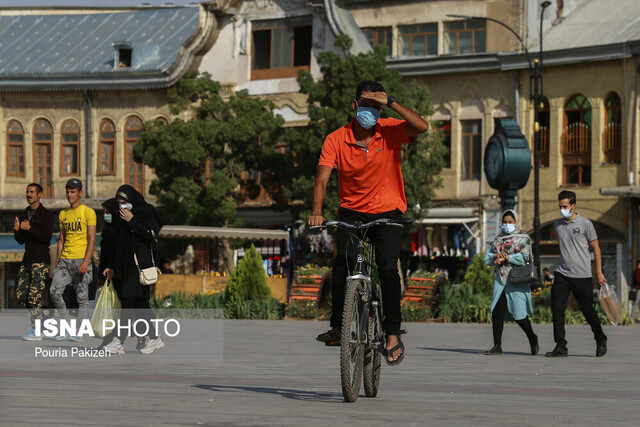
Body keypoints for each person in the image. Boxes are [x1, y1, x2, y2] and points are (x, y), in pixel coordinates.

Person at [308, 80, 429, 365]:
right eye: (366, 104)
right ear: (354, 105)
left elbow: (422, 127)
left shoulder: (390, 129)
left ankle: (392, 333)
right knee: (343, 263)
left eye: (376, 106)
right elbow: (322, 178)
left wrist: (391, 102)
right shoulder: (336, 139)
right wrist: (316, 210)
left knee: (387, 268)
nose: (371, 111)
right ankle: (338, 326)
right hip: (352, 212)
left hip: (388, 212)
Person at [545, 190, 607, 357]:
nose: (562, 209)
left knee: (587, 310)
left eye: (565, 206)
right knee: (557, 308)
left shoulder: (585, 223)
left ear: (573, 206)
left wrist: (599, 272)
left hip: (582, 275)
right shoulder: (557, 225)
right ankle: (561, 346)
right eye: (560, 206)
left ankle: (600, 338)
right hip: (562, 274)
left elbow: (596, 247)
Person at [103, 185, 164, 355]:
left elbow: (150, 235)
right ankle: (153, 337)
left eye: (125, 203)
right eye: (119, 203)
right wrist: (111, 266)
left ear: (132, 201)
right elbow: (117, 244)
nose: (122, 207)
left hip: (139, 267)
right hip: (124, 267)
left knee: (130, 304)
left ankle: (119, 341)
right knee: (139, 305)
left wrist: (132, 221)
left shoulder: (146, 212)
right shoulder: (120, 217)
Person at [483, 210, 538, 356]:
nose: (507, 225)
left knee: (519, 315)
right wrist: (495, 256)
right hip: (501, 280)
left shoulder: (523, 238)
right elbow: (487, 259)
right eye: (505, 222)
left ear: (516, 222)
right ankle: (497, 345)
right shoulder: (498, 238)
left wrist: (508, 258)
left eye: (510, 222)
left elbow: (526, 258)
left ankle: (532, 337)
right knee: (497, 311)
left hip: (517, 280)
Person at [50, 178, 96, 341]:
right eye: (68, 191)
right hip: (65, 261)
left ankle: (78, 331)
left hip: (81, 259)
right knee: (54, 291)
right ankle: (67, 326)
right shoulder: (63, 214)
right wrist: (57, 263)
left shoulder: (88, 212)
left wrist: (86, 261)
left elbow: (92, 239)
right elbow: (61, 239)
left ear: (80, 193)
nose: (69, 194)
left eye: (73, 192)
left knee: (81, 296)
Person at [14, 183, 54, 340]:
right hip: (27, 260)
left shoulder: (46, 215)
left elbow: (46, 238)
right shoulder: (25, 213)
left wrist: (29, 228)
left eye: (32, 192)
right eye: (27, 192)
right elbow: (20, 241)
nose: (28, 195)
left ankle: (37, 331)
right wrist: (17, 231)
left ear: (40, 194)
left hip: (41, 260)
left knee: (34, 296)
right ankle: (43, 321)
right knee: (22, 295)